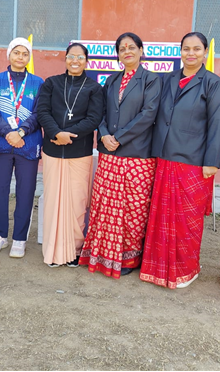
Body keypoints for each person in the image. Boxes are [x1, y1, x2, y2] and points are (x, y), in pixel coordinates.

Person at [140, 32, 220, 289]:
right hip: (164, 157)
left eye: (196, 49)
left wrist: (212, 161)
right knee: (160, 218)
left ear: (205, 53)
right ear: (180, 51)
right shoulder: (166, 79)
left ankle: (185, 270)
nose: (191, 53)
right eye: (186, 48)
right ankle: (157, 267)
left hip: (193, 161)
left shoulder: (213, 84)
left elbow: (218, 124)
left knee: (187, 220)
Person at [79, 32, 161, 278]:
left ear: (141, 51)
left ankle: (129, 258)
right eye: (122, 48)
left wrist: (119, 137)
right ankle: (102, 254)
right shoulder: (112, 80)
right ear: (118, 55)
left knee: (134, 209)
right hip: (109, 153)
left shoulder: (151, 80)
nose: (127, 52)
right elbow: (101, 112)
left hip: (137, 155)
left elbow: (148, 114)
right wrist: (104, 134)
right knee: (105, 207)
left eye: (131, 47)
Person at [36, 43, 104, 268]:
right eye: (71, 56)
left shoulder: (94, 88)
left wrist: (69, 135)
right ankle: (52, 251)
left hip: (79, 152)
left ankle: (74, 250)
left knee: (77, 203)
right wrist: (56, 133)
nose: (75, 61)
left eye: (80, 57)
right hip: (53, 150)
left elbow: (94, 119)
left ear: (86, 61)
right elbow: (42, 111)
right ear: (65, 59)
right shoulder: (52, 83)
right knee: (53, 201)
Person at [0, 38, 44, 258]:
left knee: (26, 192)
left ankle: (19, 239)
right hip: (0, 144)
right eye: (16, 52)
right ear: (9, 55)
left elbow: (39, 112)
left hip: (27, 144)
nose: (20, 57)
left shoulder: (38, 82)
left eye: (25, 54)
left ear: (29, 57)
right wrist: (8, 133)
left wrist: (21, 132)